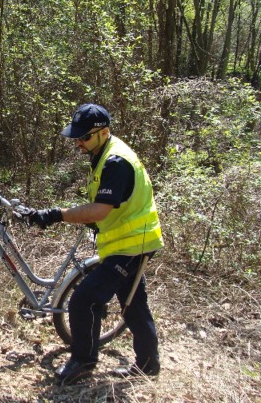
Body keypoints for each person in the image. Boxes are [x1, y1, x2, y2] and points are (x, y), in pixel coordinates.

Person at [23, 103, 164, 385]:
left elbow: (100, 209)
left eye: (84, 137)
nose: (78, 142)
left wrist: (56, 215)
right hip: (124, 242)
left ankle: (83, 361)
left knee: (83, 300)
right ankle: (148, 365)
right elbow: (113, 205)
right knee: (133, 305)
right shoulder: (103, 153)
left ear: (104, 132)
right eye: (76, 137)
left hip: (133, 245)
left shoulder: (116, 161)